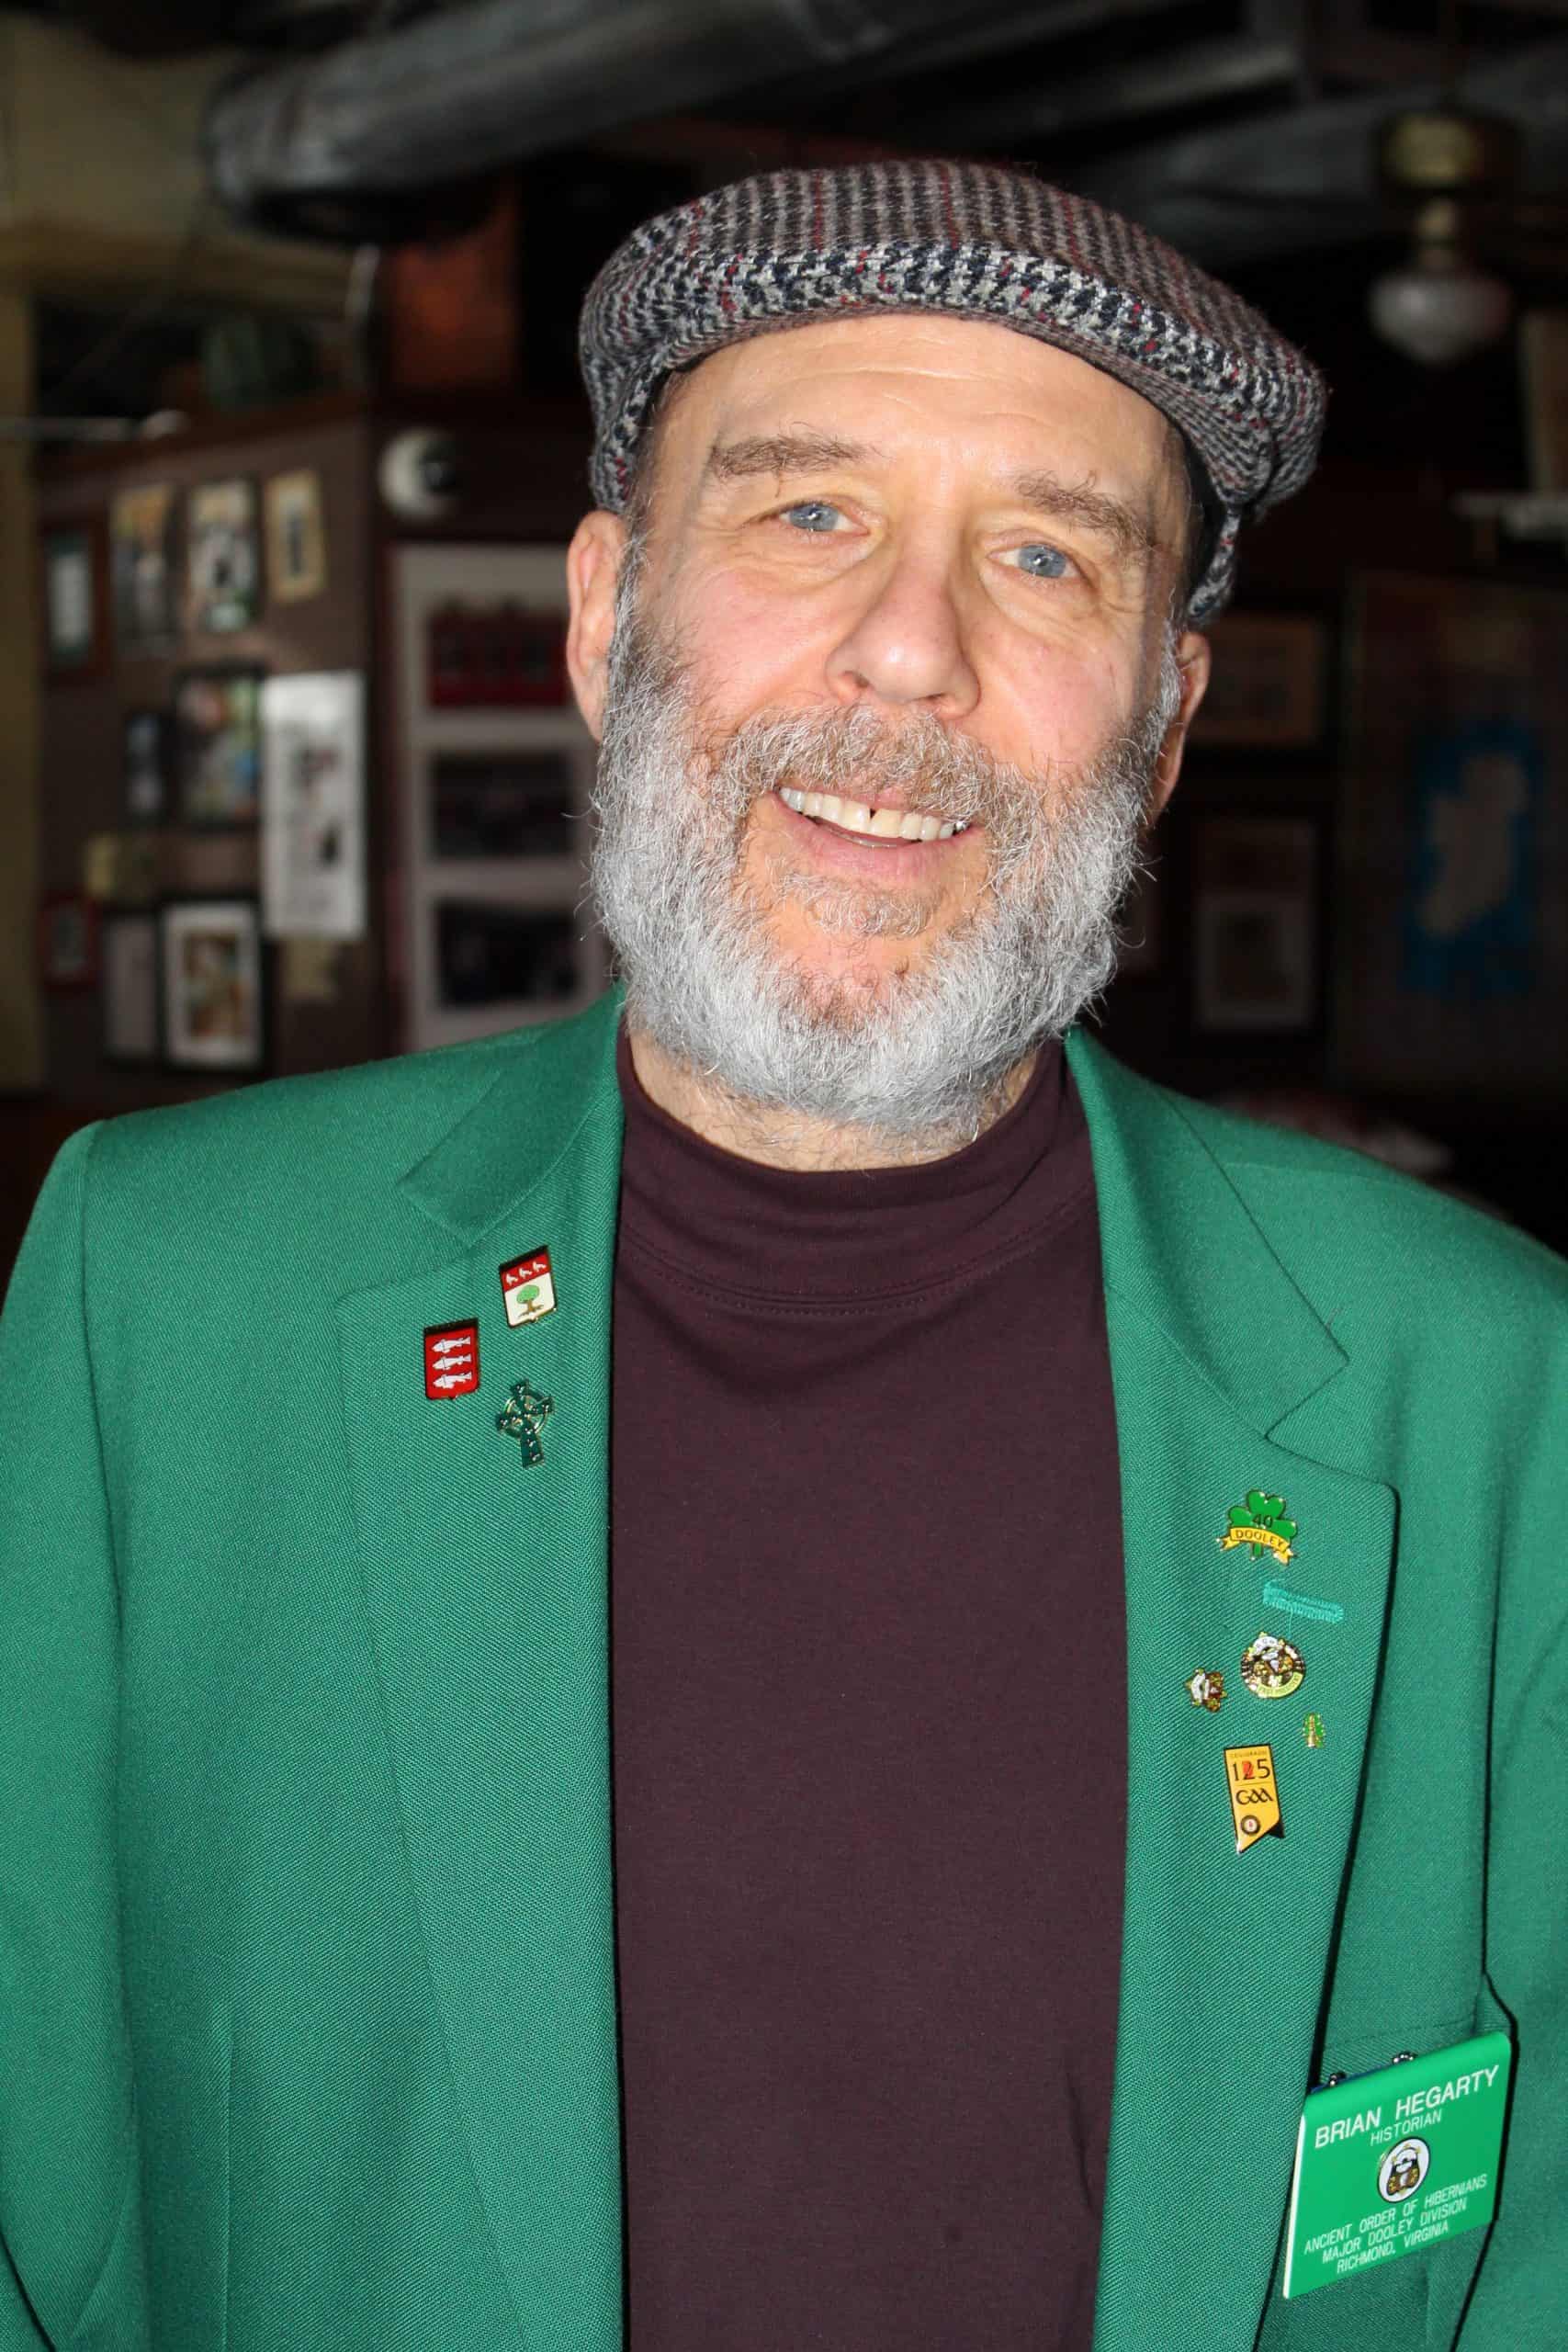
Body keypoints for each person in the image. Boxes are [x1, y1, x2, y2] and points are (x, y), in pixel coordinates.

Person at [1, 159, 1562, 2352]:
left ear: (1163, 718)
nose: (910, 650)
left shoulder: (1479, 1388)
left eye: (1043, 554)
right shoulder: (160, 1298)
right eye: (808, 512)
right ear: (601, 615)